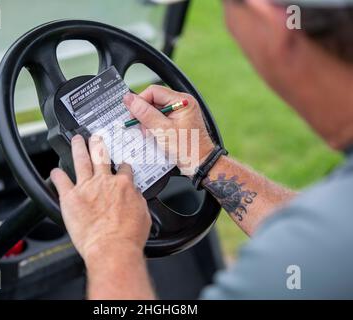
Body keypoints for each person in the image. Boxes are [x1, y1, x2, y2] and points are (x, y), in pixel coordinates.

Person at [50, 0, 353, 299]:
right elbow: (317, 235)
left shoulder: (309, 261)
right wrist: (205, 160)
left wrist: (109, 243)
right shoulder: (330, 234)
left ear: (268, 20)